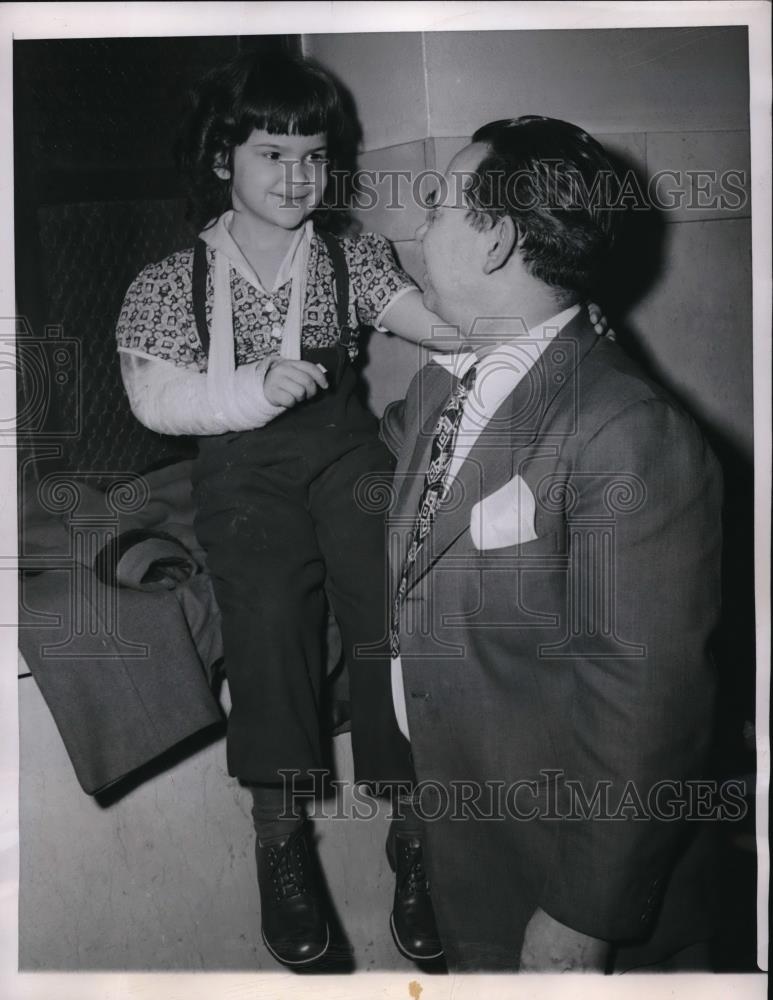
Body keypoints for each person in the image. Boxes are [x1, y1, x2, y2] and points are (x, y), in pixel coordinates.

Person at [116, 50, 608, 968]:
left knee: (393, 600)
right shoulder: (166, 282)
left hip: (344, 453)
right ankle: (277, 835)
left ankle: (416, 829)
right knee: (264, 618)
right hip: (239, 470)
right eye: (271, 153)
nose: (298, 174)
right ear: (222, 159)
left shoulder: (355, 256)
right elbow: (154, 400)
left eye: (312, 153)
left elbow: (449, 328)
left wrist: (544, 330)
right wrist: (251, 387)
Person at [381, 116, 723, 972]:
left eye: (437, 205)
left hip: (566, 890)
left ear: (494, 240)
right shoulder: (436, 392)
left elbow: (646, 708)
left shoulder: (626, 430)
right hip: (473, 848)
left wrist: (580, 918)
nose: (418, 225)